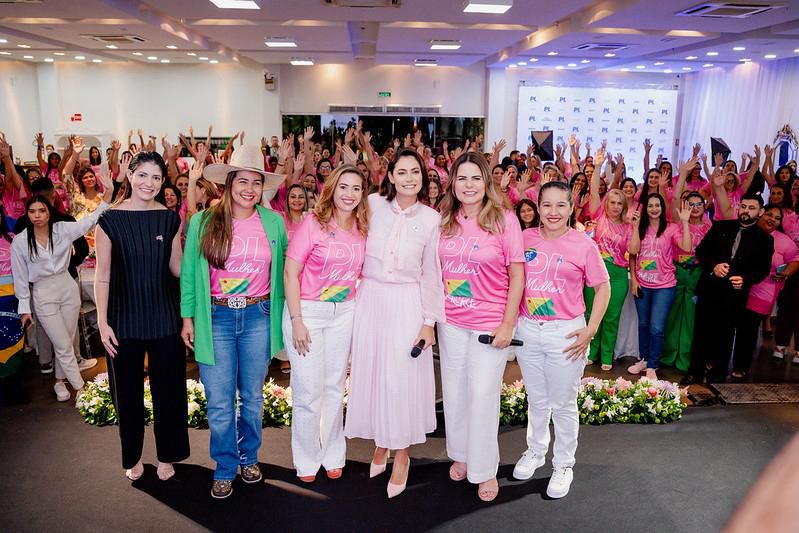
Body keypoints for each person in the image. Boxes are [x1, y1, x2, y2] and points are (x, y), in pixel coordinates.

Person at [180, 145, 287, 499]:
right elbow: (190, 278)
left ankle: (249, 458)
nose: (250, 189)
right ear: (228, 183)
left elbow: (286, 273)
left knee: (253, 398)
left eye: (257, 182)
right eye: (243, 180)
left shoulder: (274, 222)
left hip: (258, 315)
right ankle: (225, 466)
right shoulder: (203, 222)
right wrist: (188, 318)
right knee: (220, 401)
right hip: (217, 318)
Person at [344, 148, 445, 499]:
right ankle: (381, 443)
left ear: (424, 176)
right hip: (370, 298)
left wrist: (429, 321)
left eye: (415, 172)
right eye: (401, 172)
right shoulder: (370, 205)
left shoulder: (432, 219)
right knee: (373, 375)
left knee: (401, 379)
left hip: (408, 302)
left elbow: (432, 274)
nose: (408, 178)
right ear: (389, 176)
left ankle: (401, 454)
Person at [94, 151, 188, 482]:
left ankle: (168, 456)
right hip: (123, 321)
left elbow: (177, 268)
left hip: (164, 318)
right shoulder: (109, 219)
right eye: (143, 175)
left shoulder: (170, 219)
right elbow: (102, 276)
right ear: (130, 175)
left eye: (157, 177)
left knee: (170, 393)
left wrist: (209, 261)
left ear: (164, 182)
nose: (149, 183)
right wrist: (103, 322)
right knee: (127, 395)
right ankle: (132, 456)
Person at [513, 181, 610, 499]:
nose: (553, 212)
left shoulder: (583, 245)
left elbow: (603, 288)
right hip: (528, 330)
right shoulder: (524, 238)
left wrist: (591, 328)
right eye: (546, 205)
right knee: (537, 399)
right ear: (537, 208)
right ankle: (535, 451)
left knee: (564, 404)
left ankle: (563, 464)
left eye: (560, 205)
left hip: (565, 333)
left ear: (571, 208)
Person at [436, 152, 524, 502]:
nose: (468, 185)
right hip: (451, 322)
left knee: (483, 395)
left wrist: (508, 323)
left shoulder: (504, 220)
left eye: (475, 178)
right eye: (461, 179)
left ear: (486, 183)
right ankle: (461, 453)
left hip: (490, 323)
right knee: (455, 393)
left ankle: (484, 469)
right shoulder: (445, 220)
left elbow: (517, 275)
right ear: (452, 184)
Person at [283, 164, 368, 483]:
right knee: (307, 390)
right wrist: (297, 320)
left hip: (343, 313)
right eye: (344, 187)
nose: (349, 194)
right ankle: (306, 459)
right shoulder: (313, 223)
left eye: (356, 188)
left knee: (334, 387)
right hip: (308, 312)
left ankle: (333, 453)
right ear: (332, 188)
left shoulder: (363, 227)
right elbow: (291, 272)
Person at [11, 181, 112, 401]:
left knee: (65, 339)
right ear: (27, 214)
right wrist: (24, 309)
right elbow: (19, 279)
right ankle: (82, 391)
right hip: (43, 293)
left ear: (49, 212)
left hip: (67, 287)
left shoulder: (62, 229)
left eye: (42, 211)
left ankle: (59, 381)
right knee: (64, 344)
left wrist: (109, 194)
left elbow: (91, 220)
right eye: (32, 211)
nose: (37, 215)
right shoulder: (19, 242)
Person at [682, 193, 774, 384]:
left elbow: (762, 269)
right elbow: (702, 251)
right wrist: (714, 266)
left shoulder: (765, 239)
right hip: (710, 288)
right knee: (701, 332)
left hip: (735, 293)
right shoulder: (721, 226)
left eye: (751, 208)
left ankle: (718, 373)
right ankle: (694, 371)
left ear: (760, 211)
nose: (746, 211)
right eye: (743, 207)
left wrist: (746, 279)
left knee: (726, 334)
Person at [627, 193, 692, 380]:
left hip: (664, 286)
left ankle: (653, 365)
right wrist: (634, 280)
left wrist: (685, 223)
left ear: (662, 208)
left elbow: (687, 247)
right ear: (645, 209)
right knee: (643, 324)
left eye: (657, 205)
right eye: (650, 205)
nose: (654, 209)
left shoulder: (671, 228)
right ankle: (644, 359)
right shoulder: (640, 228)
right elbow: (632, 252)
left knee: (656, 327)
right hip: (642, 284)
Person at [731, 205, 798, 377]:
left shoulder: (783, 240)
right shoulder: (746, 231)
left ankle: (741, 366)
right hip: (738, 286)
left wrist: (785, 273)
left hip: (764, 289)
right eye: (769, 214)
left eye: (777, 218)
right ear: (760, 214)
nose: (772, 219)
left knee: (749, 328)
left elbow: (796, 260)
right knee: (729, 324)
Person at [660, 160, 714, 372]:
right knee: (672, 315)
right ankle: (669, 354)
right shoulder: (677, 222)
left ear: (704, 206)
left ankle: (685, 358)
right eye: (690, 204)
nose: (694, 208)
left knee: (691, 318)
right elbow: (674, 198)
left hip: (697, 273)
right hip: (676, 271)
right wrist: (682, 174)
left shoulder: (709, 226)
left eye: (698, 204)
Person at [584, 154, 630, 370]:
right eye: (612, 202)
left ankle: (607, 356)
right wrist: (599, 166)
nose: (615, 206)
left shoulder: (628, 226)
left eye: (619, 203)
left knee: (612, 316)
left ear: (624, 206)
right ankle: (591, 352)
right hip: (595, 271)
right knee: (593, 313)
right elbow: (594, 191)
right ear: (606, 203)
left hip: (619, 275)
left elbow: (633, 251)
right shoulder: (598, 216)